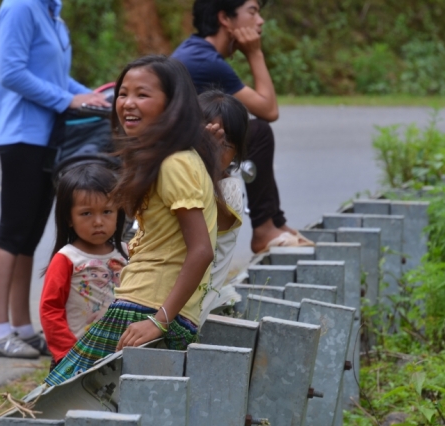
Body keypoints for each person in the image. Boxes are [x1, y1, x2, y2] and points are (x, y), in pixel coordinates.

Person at [45, 55, 222, 386]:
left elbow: (202, 249)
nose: (127, 103)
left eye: (143, 94)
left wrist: (159, 321)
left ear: (173, 105)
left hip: (146, 307)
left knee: (58, 394)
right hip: (153, 305)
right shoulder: (181, 158)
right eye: (123, 93)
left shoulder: (174, 163)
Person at [0, 0, 110, 359]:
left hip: (49, 138)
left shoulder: (51, 11)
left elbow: (56, 78)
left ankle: (22, 328)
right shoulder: (21, 6)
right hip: (22, 135)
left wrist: (92, 98)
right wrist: (68, 100)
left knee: (29, 237)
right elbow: (12, 72)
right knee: (11, 233)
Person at [171, 0, 313, 253]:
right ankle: (265, 229)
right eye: (253, 12)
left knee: (248, 129)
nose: (260, 21)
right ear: (225, 18)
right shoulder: (205, 60)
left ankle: (275, 223)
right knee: (258, 132)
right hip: (173, 153)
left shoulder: (197, 51)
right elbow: (269, 110)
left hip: (176, 145)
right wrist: (255, 53)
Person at [39, 163, 128, 372]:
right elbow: (50, 310)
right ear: (69, 218)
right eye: (86, 214)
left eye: (107, 211)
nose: (98, 222)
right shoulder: (67, 258)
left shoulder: (127, 252)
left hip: (120, 357)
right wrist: (69, 355)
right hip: (77, 359)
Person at [197, 90, 249, 324]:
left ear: (237, 150)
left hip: (196, 306)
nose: (214, 151)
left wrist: (201, 158)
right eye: (207, 142)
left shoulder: (230, 190)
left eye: (224, 144)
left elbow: (201, 217)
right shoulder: (179, 174)